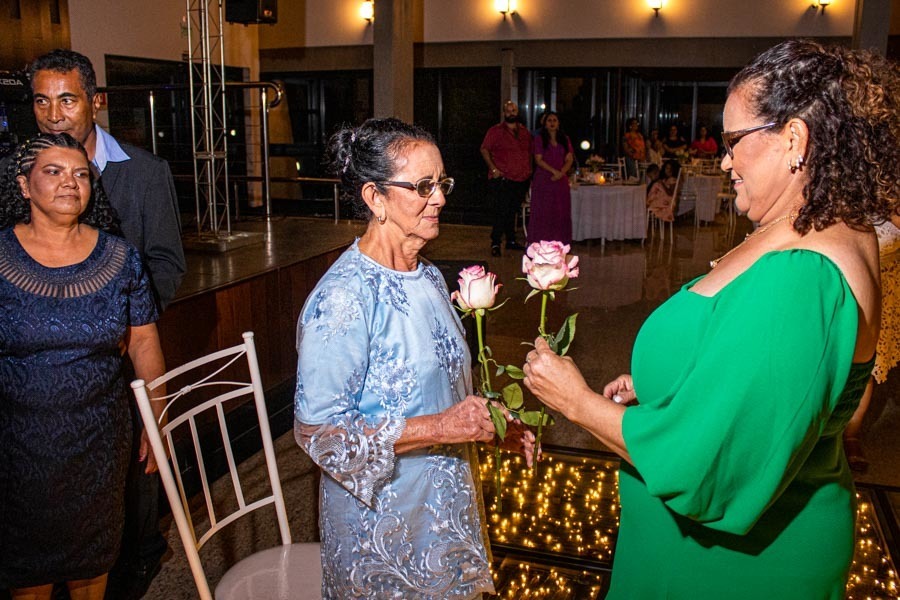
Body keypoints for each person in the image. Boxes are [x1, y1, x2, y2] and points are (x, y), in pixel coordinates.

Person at [522, 39, 898, 598]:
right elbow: (797, 385)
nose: (724, 161)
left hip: (728, 567)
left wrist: (576, 403)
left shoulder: (804, 276)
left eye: (734, 142)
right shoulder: (824, 225)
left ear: (793, 138)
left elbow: (706, 467)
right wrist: (679, 382)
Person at [294, 118, 536, 599]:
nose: (440, 197)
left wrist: (490, 424)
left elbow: (442, 385)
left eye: (441, 182)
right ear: (375, 198)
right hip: (386, 529)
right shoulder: (343, 300)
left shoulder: (425, 276)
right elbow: (319, 435)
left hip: (444, 503)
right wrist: (443, 428)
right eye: (423, 186)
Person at [19, 49, 186, 598]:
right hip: (31, 381)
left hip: (118, 364)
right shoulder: (17, 173)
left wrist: (119, 316)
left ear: (95, 101)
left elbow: (166, 264)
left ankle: (134, 570)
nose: (54, 113)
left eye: (66, 99)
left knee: (125, 507)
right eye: (42, 101)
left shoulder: (144, 172)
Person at [0, 134, 166, 600]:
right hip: (18, 448)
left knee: (92, 568)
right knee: (27, 578)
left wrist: (157, 421)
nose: (70, 183)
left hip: (98, 444)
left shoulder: (119, 257)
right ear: (24, 185)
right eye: (53, 172)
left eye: (79, 174)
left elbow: (144, 340)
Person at [843, 214, 900, 471]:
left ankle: (851, 435)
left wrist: (888, 205)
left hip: (884, 272)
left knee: (864, 362)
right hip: (841, 259)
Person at [480, 100, 531, 256]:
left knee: (512, 211)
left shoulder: (524, 132)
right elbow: (484, 149)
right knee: (500, 212)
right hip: (503, 179)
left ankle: (511, 240)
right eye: (508, 110)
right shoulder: (495, 131)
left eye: (514, 110)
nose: (511, 113)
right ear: (504, 113)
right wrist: (493, 168)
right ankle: (495, 242)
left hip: (521, 179)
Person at [528, 111, 573, 245]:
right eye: (549, 120)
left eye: (555, 120)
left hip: (560, 180)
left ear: (558, 123)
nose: (552, 123)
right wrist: (554, 171)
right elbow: (538, 159)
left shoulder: (565, 139)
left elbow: (569, 159)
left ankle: (560, 242)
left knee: (560, 210)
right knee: (544, 210)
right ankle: (540, 241)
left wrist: (561, 172)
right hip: (544, 179)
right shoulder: (539, 139)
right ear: (545, 123)